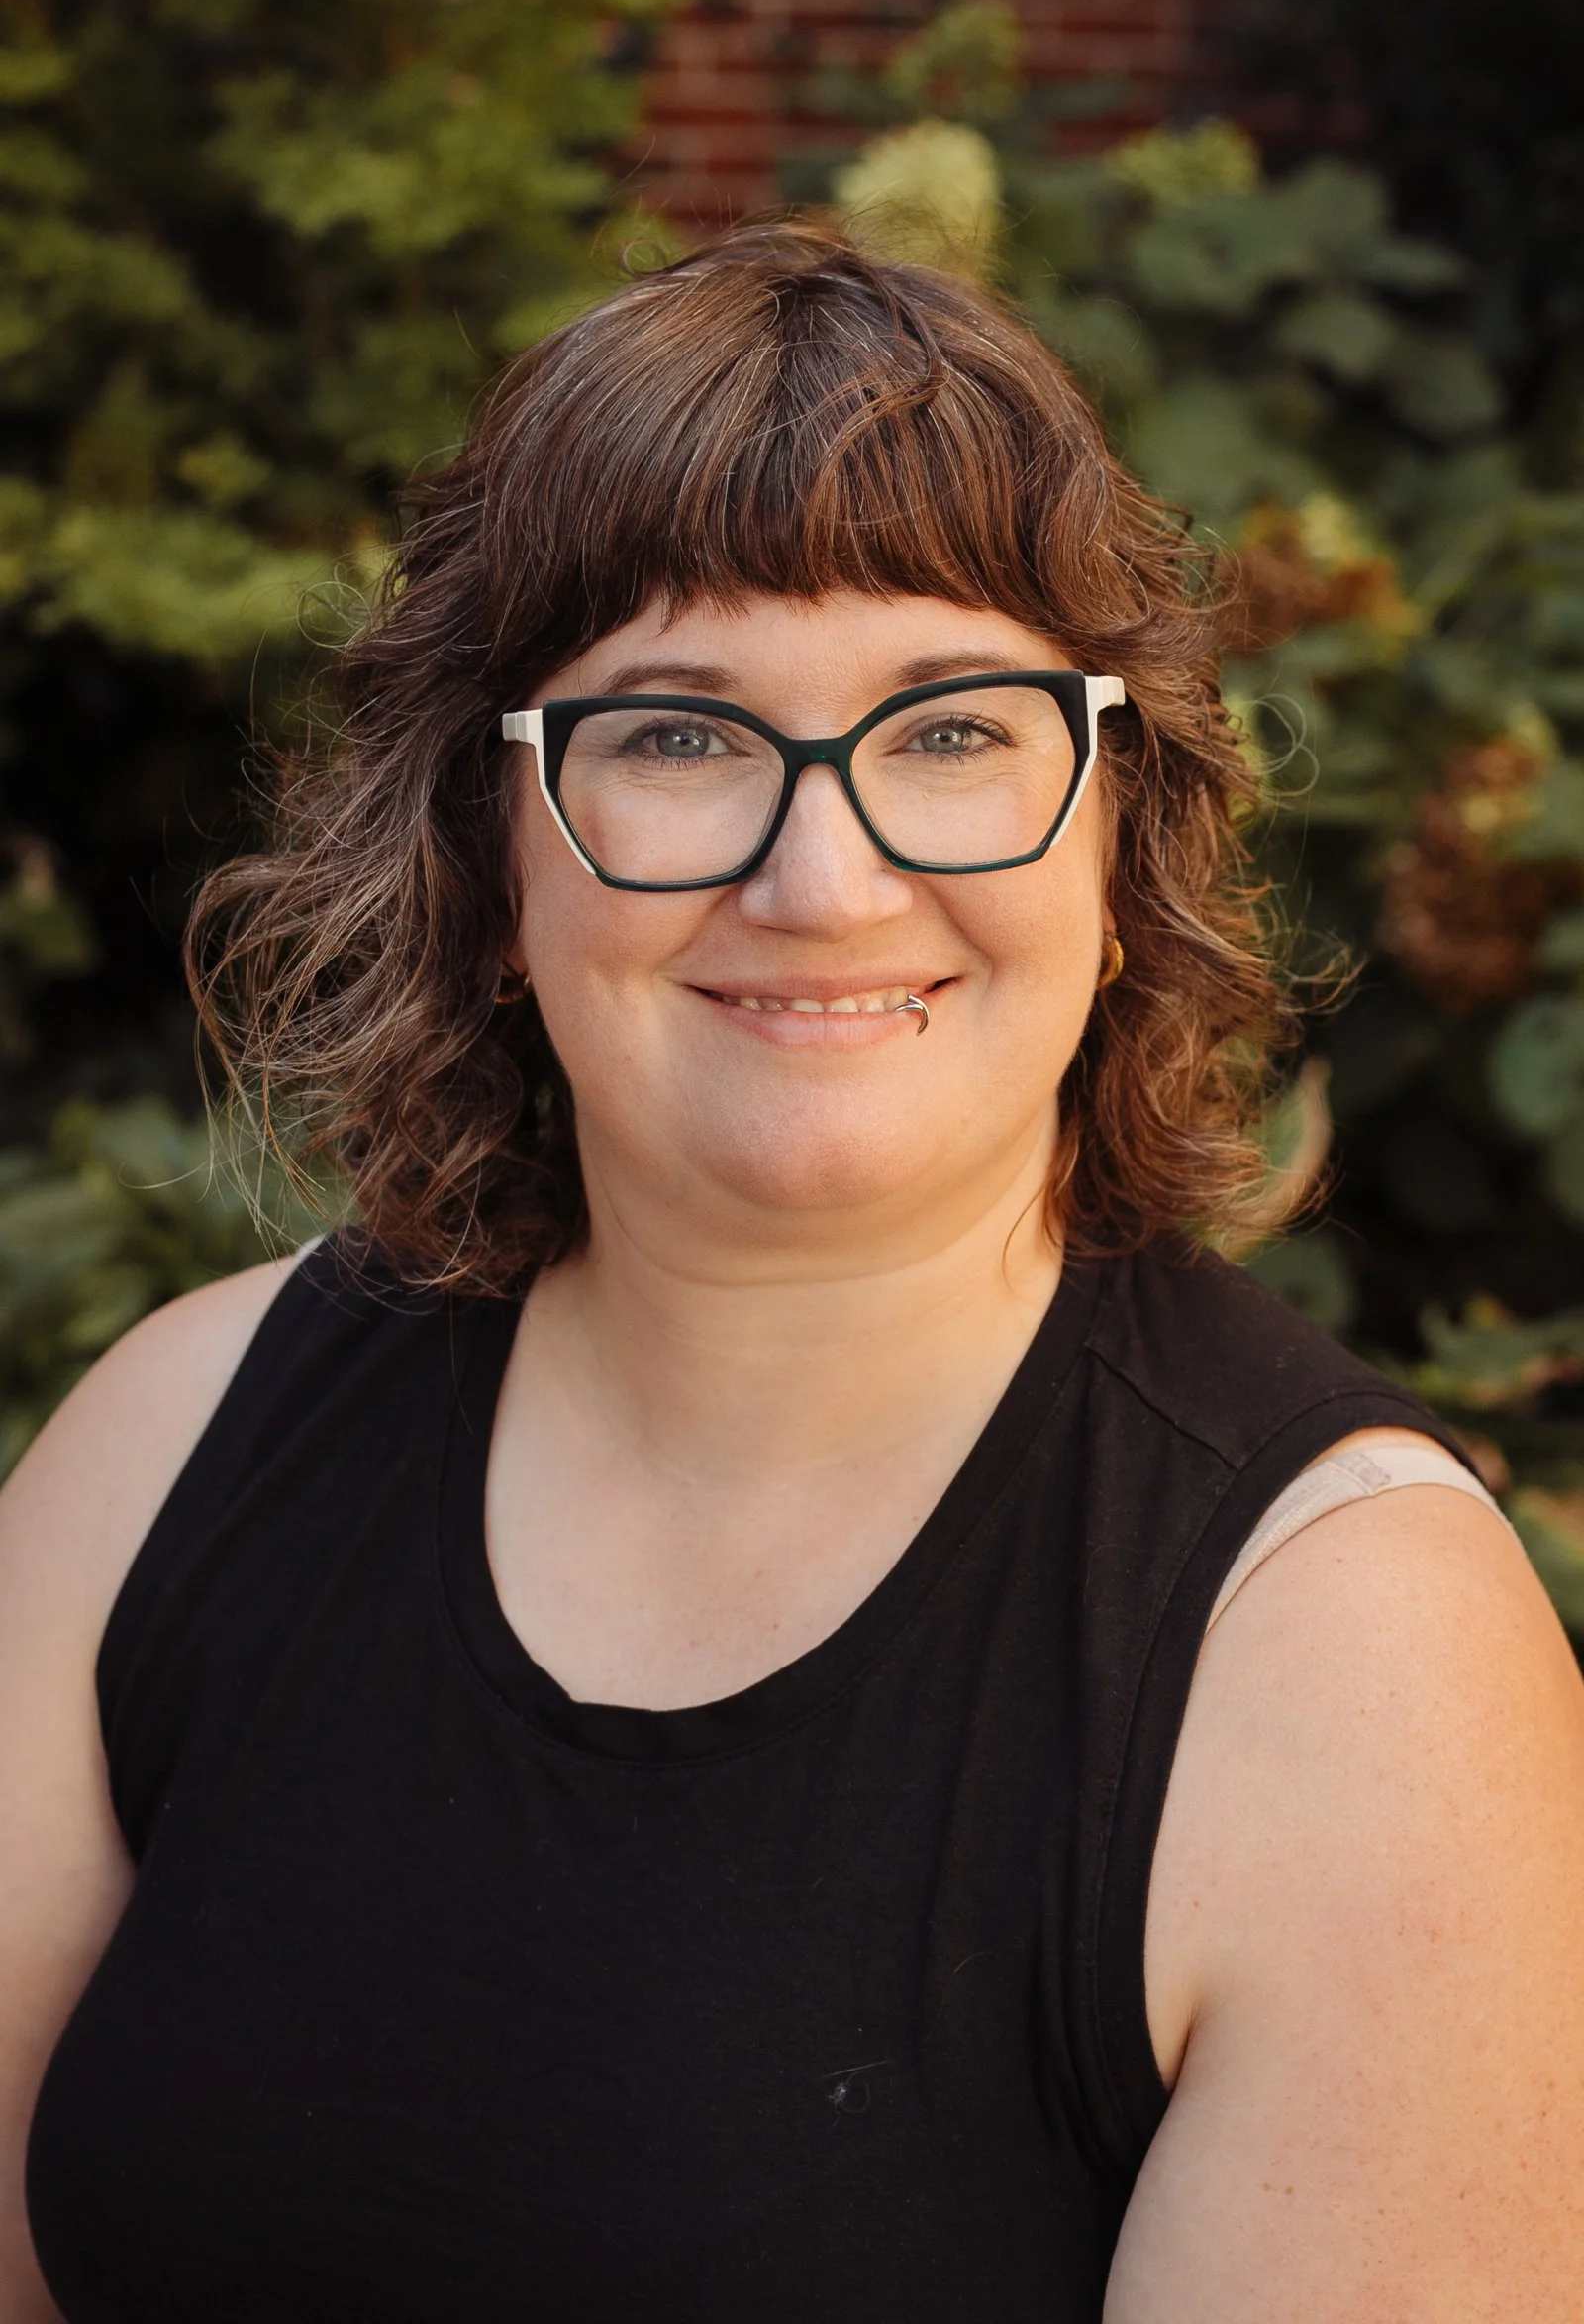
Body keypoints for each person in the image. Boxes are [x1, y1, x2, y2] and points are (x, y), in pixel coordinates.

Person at [3, 226, 1582, 2324]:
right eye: (677, 737)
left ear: (1116, 841)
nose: (823, 879)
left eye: (952, 732)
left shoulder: (1352, 1656)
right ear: (489, 858)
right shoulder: (171, 1454)